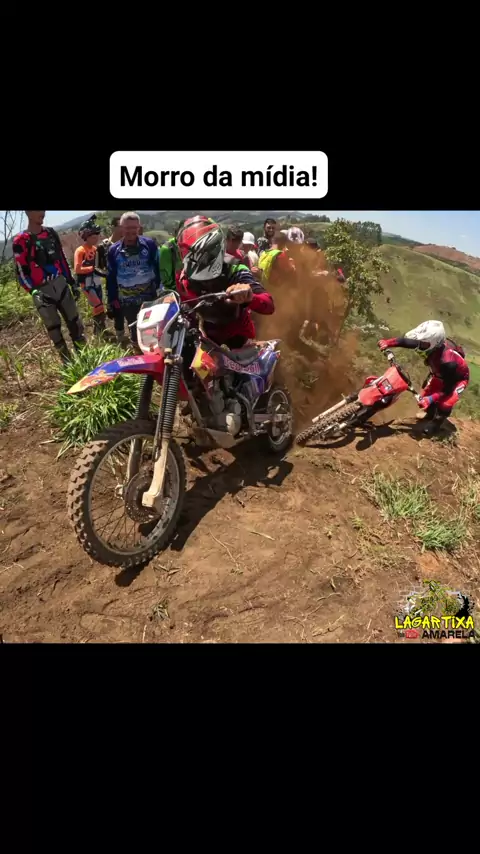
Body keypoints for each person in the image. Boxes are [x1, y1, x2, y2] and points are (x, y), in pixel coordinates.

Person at [176, 215, 274, 349]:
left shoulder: (234, 269)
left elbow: (268, 304)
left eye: (196, 256)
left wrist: (249, 296)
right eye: (187, 255)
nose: (190, 262)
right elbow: (180, 301)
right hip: (201, 342)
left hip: (237, 345)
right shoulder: (185, 277)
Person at [12, 210, 86, 362]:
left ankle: (85, 358)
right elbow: (21, 271)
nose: (42, 212)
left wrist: (71, 282)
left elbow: (62, 259)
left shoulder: (51, 233)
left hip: (60, 284)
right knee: (54, 330)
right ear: (28, 213)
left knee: (75, 323)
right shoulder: (20, 240)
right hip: (42, 290)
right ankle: (68, 364)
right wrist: (32, 291)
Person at [378, 320, 470, 434]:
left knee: (446, 402)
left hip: (457, 379)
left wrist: (430, 399)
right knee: (425, 396)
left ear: (434, 343)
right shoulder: (428, 344)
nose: (419, 346)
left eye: (423, 344)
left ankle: (436, 424)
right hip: (439, 373)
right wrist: (388, 342)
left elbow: (447, 390)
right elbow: (407, 342)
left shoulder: (447, 362)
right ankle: (430, 414)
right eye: (420, 342)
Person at [107, 212, 160, 345]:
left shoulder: (149, 245)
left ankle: (153, 354)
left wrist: (160, 290)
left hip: (150, 298)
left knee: (152, 330)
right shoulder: (113, 250)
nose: (131, 231)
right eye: (127, 227)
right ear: (121, 227)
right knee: (135, 331)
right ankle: (137, 351)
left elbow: (158, 268)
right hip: (127, 302)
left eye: (134, 227)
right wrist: (112, 299)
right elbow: (111, 277)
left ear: (139, 227)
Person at [74, 217, 106, 335]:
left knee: (100, 304)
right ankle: (97, 330)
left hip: (96, 279)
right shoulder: (80, 250)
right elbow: (77, 269)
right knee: (97, 304)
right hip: (86, 281)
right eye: (93, 237)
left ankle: (101, 327)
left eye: (97, 236)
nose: (96, 239)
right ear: (86, 237)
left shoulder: (95, 249)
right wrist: (92, 268)